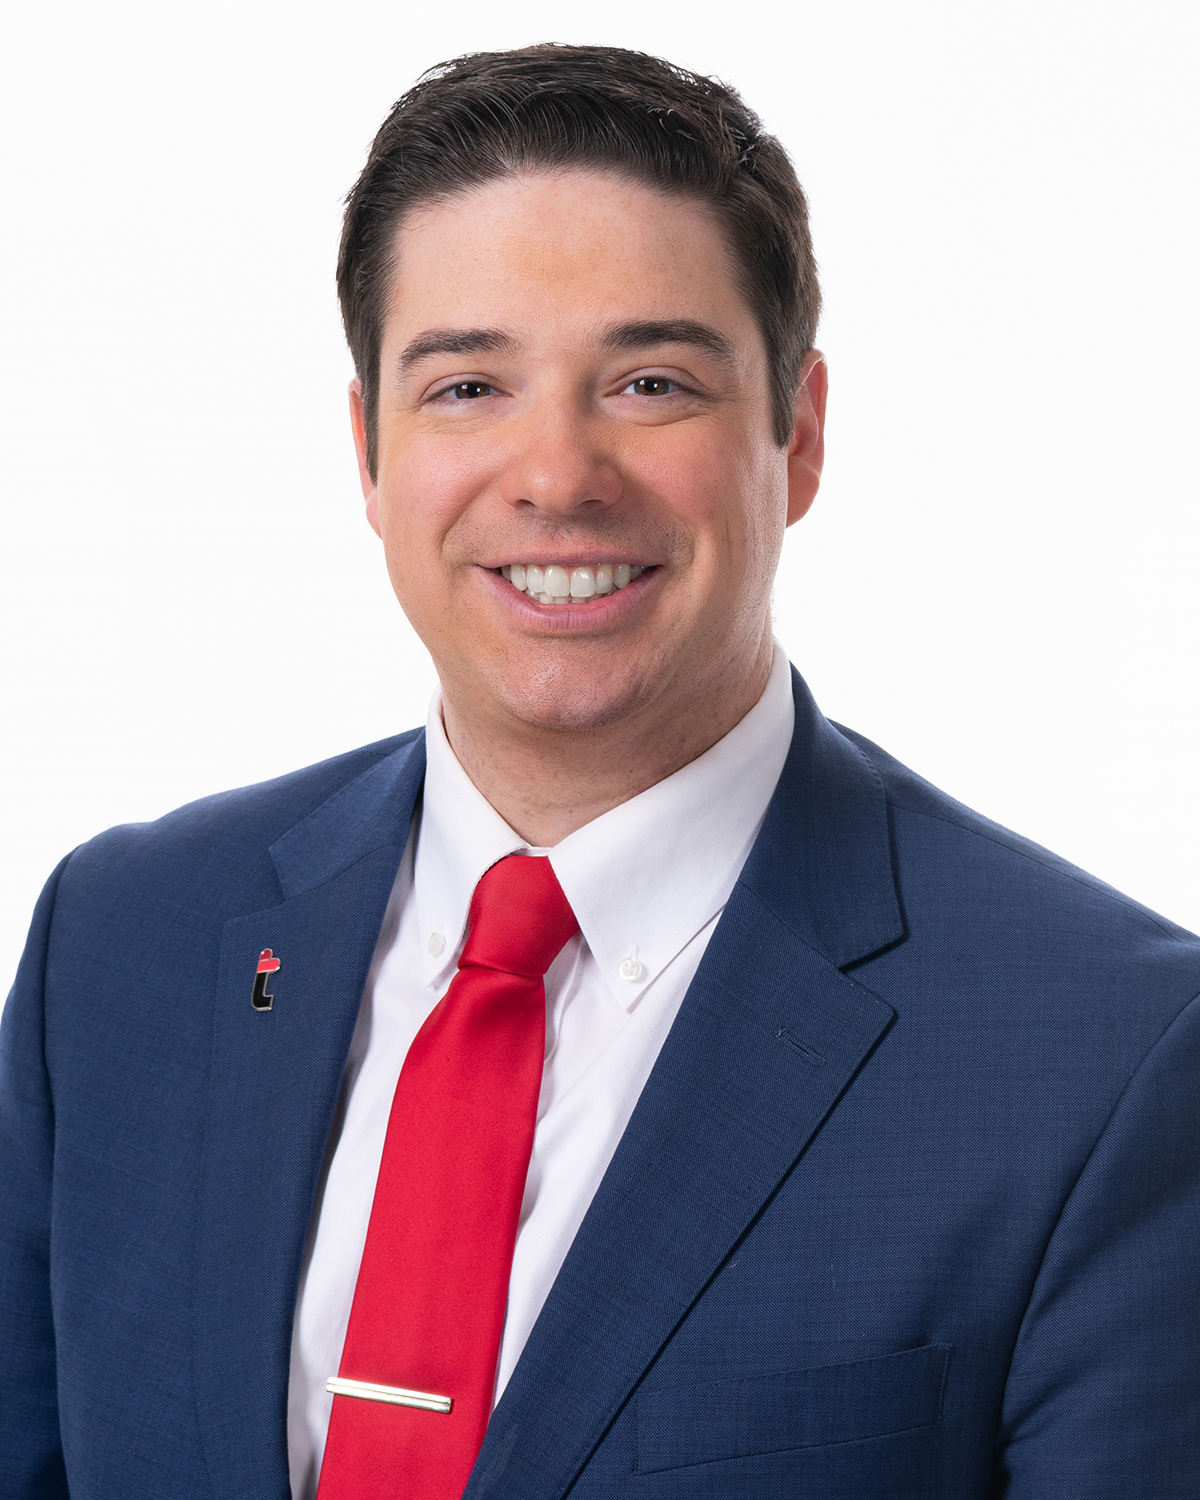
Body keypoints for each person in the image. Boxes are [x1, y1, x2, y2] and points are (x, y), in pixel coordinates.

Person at [2, 42, 1199, 1500]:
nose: (557, 473)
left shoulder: (1110, 1057)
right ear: (369, 450)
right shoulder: (123, 947)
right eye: (467, 386)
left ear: (797, 435)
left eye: (649, 382)